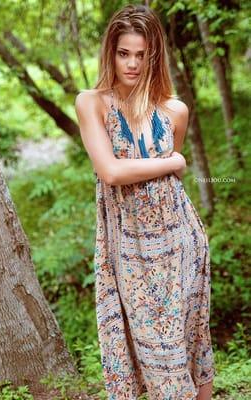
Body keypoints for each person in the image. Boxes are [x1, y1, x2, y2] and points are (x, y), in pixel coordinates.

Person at [75, 4, 215, 400]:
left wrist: (173, 163)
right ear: (111, 53)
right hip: (129, 250)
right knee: (151, 352)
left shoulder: (175, 111)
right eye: (124, 53)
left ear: (155, 55)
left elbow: (164, 183)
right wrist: (174, 161)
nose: (132, 63)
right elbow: (112, 173)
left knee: (188, 342)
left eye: (141, 54)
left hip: (180, 243)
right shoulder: (93, 103)